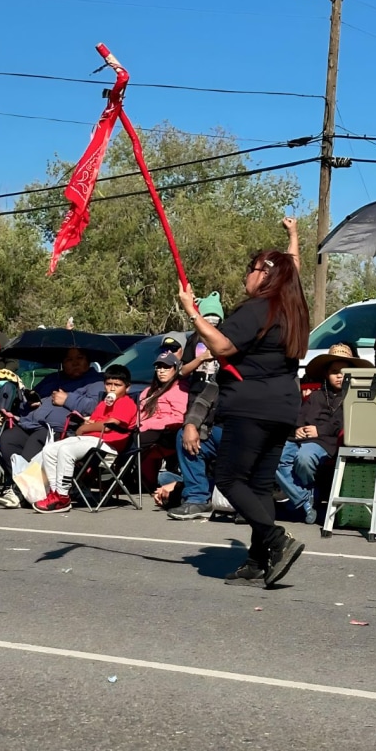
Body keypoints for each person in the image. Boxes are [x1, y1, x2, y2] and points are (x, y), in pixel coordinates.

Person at [178, 245, 310, 588]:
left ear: (265, 273)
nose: (245, 277)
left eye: (250, 269)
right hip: (282, 405)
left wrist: (192, 312)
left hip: (251, 404)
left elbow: (221, 346)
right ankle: (257, 560)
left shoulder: (260, 308)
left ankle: (276, 539)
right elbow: (291, 267)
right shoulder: (293, 309)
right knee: (260, 484)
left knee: (229, 478)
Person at [0, 347, 105, 506]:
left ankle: (18, 491)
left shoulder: (95, 381)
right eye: (69, 360)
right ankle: (32, 488)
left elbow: (95, 407)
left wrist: (68, 399)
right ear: (63, 363)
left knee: (37, 439)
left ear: (88, 361)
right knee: (9, 438)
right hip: (32, 423)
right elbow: (32, 398)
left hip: (63, 431)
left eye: (79, 358)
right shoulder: (53, 378)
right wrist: (30, 403)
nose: (74, 363)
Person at [275, 344, 368, 524]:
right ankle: (305, 498)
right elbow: (300, 415)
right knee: (274, 454)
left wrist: (320, 430)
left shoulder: (355, 396)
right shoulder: (316, 395)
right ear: (327, 374)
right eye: (334, 372)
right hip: (302, 438)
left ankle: (305, 498)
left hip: (329, 441)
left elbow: (348, 422)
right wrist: (298, 429)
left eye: (344, 371)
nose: (339, 375)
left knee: (304, 458)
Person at [35, 365, 137, 513]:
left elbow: (109, 426)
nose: (112, 389)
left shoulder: (126, 402)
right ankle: (55, 492)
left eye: (117, 385)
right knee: (49, 449)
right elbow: (94, 421)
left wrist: (83, 428)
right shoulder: (103, 403)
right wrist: (88, 423)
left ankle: (63, 496)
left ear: (127, 388)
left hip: (109, 443)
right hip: (91, 439)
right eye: (109, 384)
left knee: (66, 450)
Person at [165, 381, 222, 520]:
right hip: (215, 430)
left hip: (246, 432)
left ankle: (248, 504)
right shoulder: (225, 371)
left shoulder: (265, 371)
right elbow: (202, 401)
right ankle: (197, 499)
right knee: (183, 435)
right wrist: (190, 425)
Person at [137, 352, 188, 493]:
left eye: (166, 367)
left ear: (175, 369)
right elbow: (140, 415)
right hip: (144, 429)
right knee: (125, 439)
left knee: (135, 442)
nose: (161, 371)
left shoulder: (179, 389)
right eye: (158, 367)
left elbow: (179, 417)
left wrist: (149, 424)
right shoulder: (148, 391)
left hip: (167, 433)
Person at [179, 292, 225, 395]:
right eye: (207, 315)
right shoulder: (194, 339)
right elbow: (182, 372)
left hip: (220, 393)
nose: (211, 319)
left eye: (215, 315)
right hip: (197, 393)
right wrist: (202, 358)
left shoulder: (226, 338)